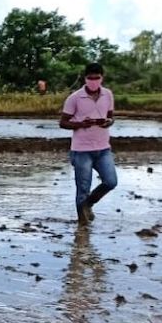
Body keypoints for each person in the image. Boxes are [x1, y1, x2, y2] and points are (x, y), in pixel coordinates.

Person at [60, 62, 118, 226]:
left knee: (110, 181)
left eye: (97, 78)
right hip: (81, 150)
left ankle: (88, 204)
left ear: (102, 78)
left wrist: (108, 122)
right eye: (90, 78)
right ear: (85, 78)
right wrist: (80, 124)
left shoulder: (108, 95)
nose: (93, 81)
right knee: (83, 188)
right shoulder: (75, 98)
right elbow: (63, 122)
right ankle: (82, 228)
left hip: (103, 148)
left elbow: (111, 116)